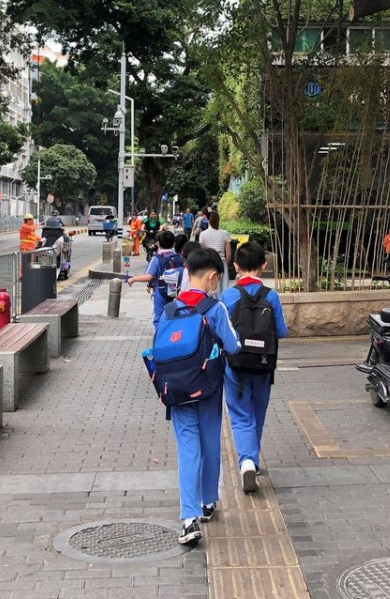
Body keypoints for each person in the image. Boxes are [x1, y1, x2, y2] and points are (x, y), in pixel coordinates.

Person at [167, 247, 240, 545]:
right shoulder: (215, 308)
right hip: (208, 388)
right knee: (210, 442)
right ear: (212, 277)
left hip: (177, 389)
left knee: (188, 448)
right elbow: (233, 346)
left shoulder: (171, 309)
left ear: (187, 272)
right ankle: (208, 501)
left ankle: (188, 518)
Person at [220, 242, 287, 493]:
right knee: (257, 413)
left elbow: (221, 333)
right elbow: (281, 331)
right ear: (264, 266)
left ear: (236, 266)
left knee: (240, 415)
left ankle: (247, 461)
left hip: (235, 366)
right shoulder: (272, 296)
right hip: (263, 364)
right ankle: (253, 460)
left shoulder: (228, 295)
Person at [126, 230, 180, 329]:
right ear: (174, 243)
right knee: (173, 316)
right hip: (177, 292)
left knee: (158, 318)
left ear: (158, 243)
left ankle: (159, 340)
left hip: (161, 292)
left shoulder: (156, 259)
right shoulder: (179, 258)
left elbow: (148, 277)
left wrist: (133, 279)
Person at [198, 210, 233, 298]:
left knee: (210, 287)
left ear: (208, 220)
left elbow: (202, 252)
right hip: (222, 262)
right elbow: (228, 254)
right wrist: (224, 264)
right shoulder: (225, 233)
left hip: (208, 263)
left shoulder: (203, 234)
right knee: (223, 287)